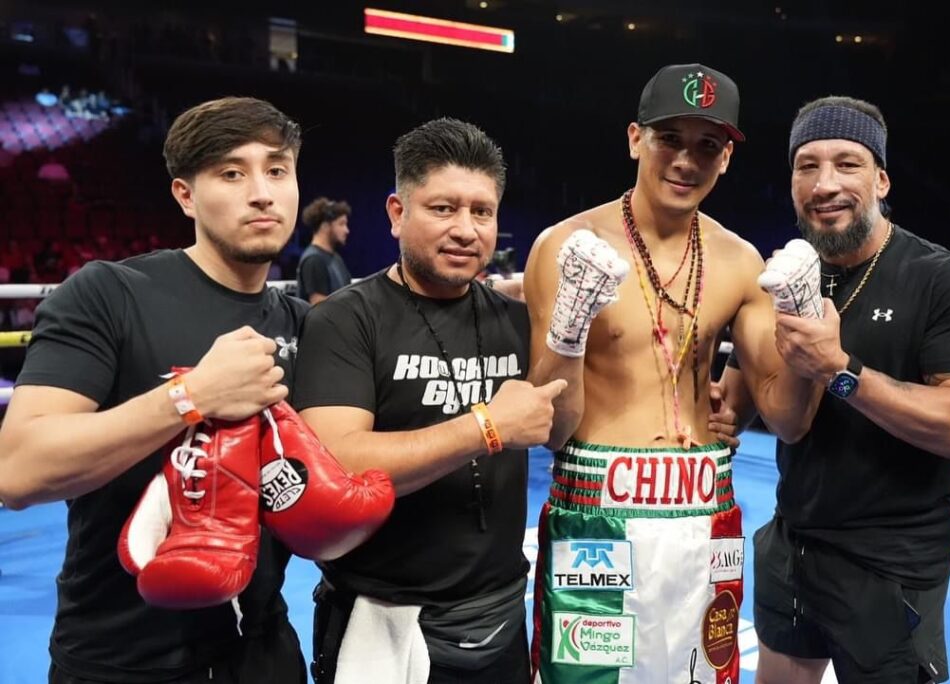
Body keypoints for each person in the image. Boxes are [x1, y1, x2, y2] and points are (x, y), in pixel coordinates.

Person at [525, 63, 819, 684]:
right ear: (636, 139)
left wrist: (803, 327)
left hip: (704, 515)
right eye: (671, 140)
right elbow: (552, 429)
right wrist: (571, 325)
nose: (688, 160)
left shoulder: (740, 261)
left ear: (727, 160)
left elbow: (789, 420)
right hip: (596, 515)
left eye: (707, 146)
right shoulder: (565, 245)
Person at [0, 96, 311, 683]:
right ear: (185, 195)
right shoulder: (109, 294)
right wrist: (190, 397)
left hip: (265, 650)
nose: (262, 192)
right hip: (124, 657)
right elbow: (17, 470)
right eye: (231, 172)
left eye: (277, 169)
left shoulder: (299, 323)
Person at [291, 117, 569, 684]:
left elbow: (562, 425)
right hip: (382, 618)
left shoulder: (516, 320)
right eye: (443, 209)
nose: (466, 229)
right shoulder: (345, 318)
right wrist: (487, 427)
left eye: (482, 211)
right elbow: (338, 465)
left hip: (499, 616)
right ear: (397, 213)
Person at [741, 95, 950, 684]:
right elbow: (774, 407)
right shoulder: (787, 277)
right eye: (807, 166)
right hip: (793, 543)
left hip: (891, 566)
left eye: (846, 163)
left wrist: (841, 370)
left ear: (881, 178)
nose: (824, 183)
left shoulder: (942, 279)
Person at [297, 197, 353, 303]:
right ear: (325, 226)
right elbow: (319, 309)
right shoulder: (314, 260)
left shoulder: (336, 258)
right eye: (341, 224)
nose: (347, 230)